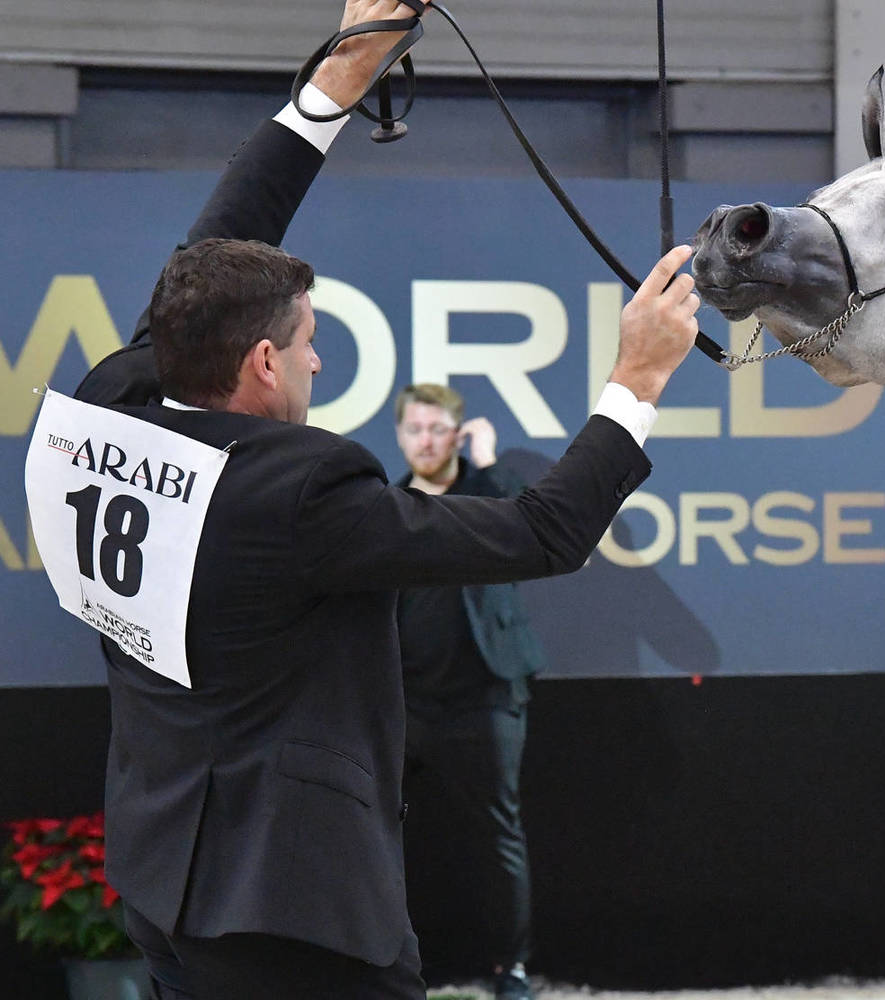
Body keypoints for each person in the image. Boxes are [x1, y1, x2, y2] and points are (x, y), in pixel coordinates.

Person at [67, 1, 702, 996]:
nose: (321, 357)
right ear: (267, 360)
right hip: (290, 913)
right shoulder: (296, 492)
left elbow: (212, 256)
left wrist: (336, 82)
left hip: (161, 877)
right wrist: (640, 377)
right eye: (310, 338)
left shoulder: (109, 404)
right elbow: (545, 530)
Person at [391, 384, 541, 999]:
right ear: (401, 436)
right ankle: (388, 969)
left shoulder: (488, 496)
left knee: (498, 839)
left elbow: (533, 536)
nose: (425, 440)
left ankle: (513, 971)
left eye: (436, 429)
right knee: (376, 839)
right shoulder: (387, 505)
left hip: (485, 695)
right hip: (401, 703)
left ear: (455, 434)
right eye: (414, 430)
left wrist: (488, 462)